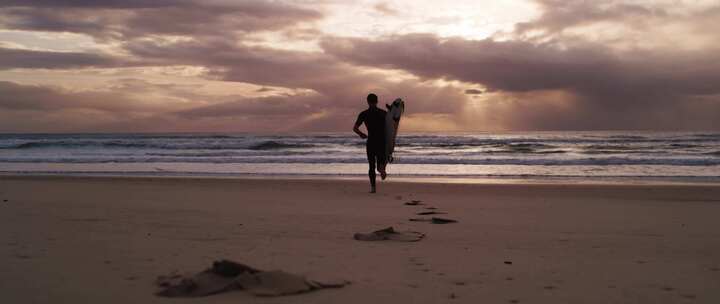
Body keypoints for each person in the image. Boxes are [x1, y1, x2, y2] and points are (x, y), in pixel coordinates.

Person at [353, 93, 387, 193]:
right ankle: (382, 169)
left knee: (371, 166)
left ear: (367, 102)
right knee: (380, 162)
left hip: (371, 141)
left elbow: (355, 128)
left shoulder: (364, 114)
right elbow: (391, 127)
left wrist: (361, 134)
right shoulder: (383, 113)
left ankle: (373, 188)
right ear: (377, 101)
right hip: (381, 141)